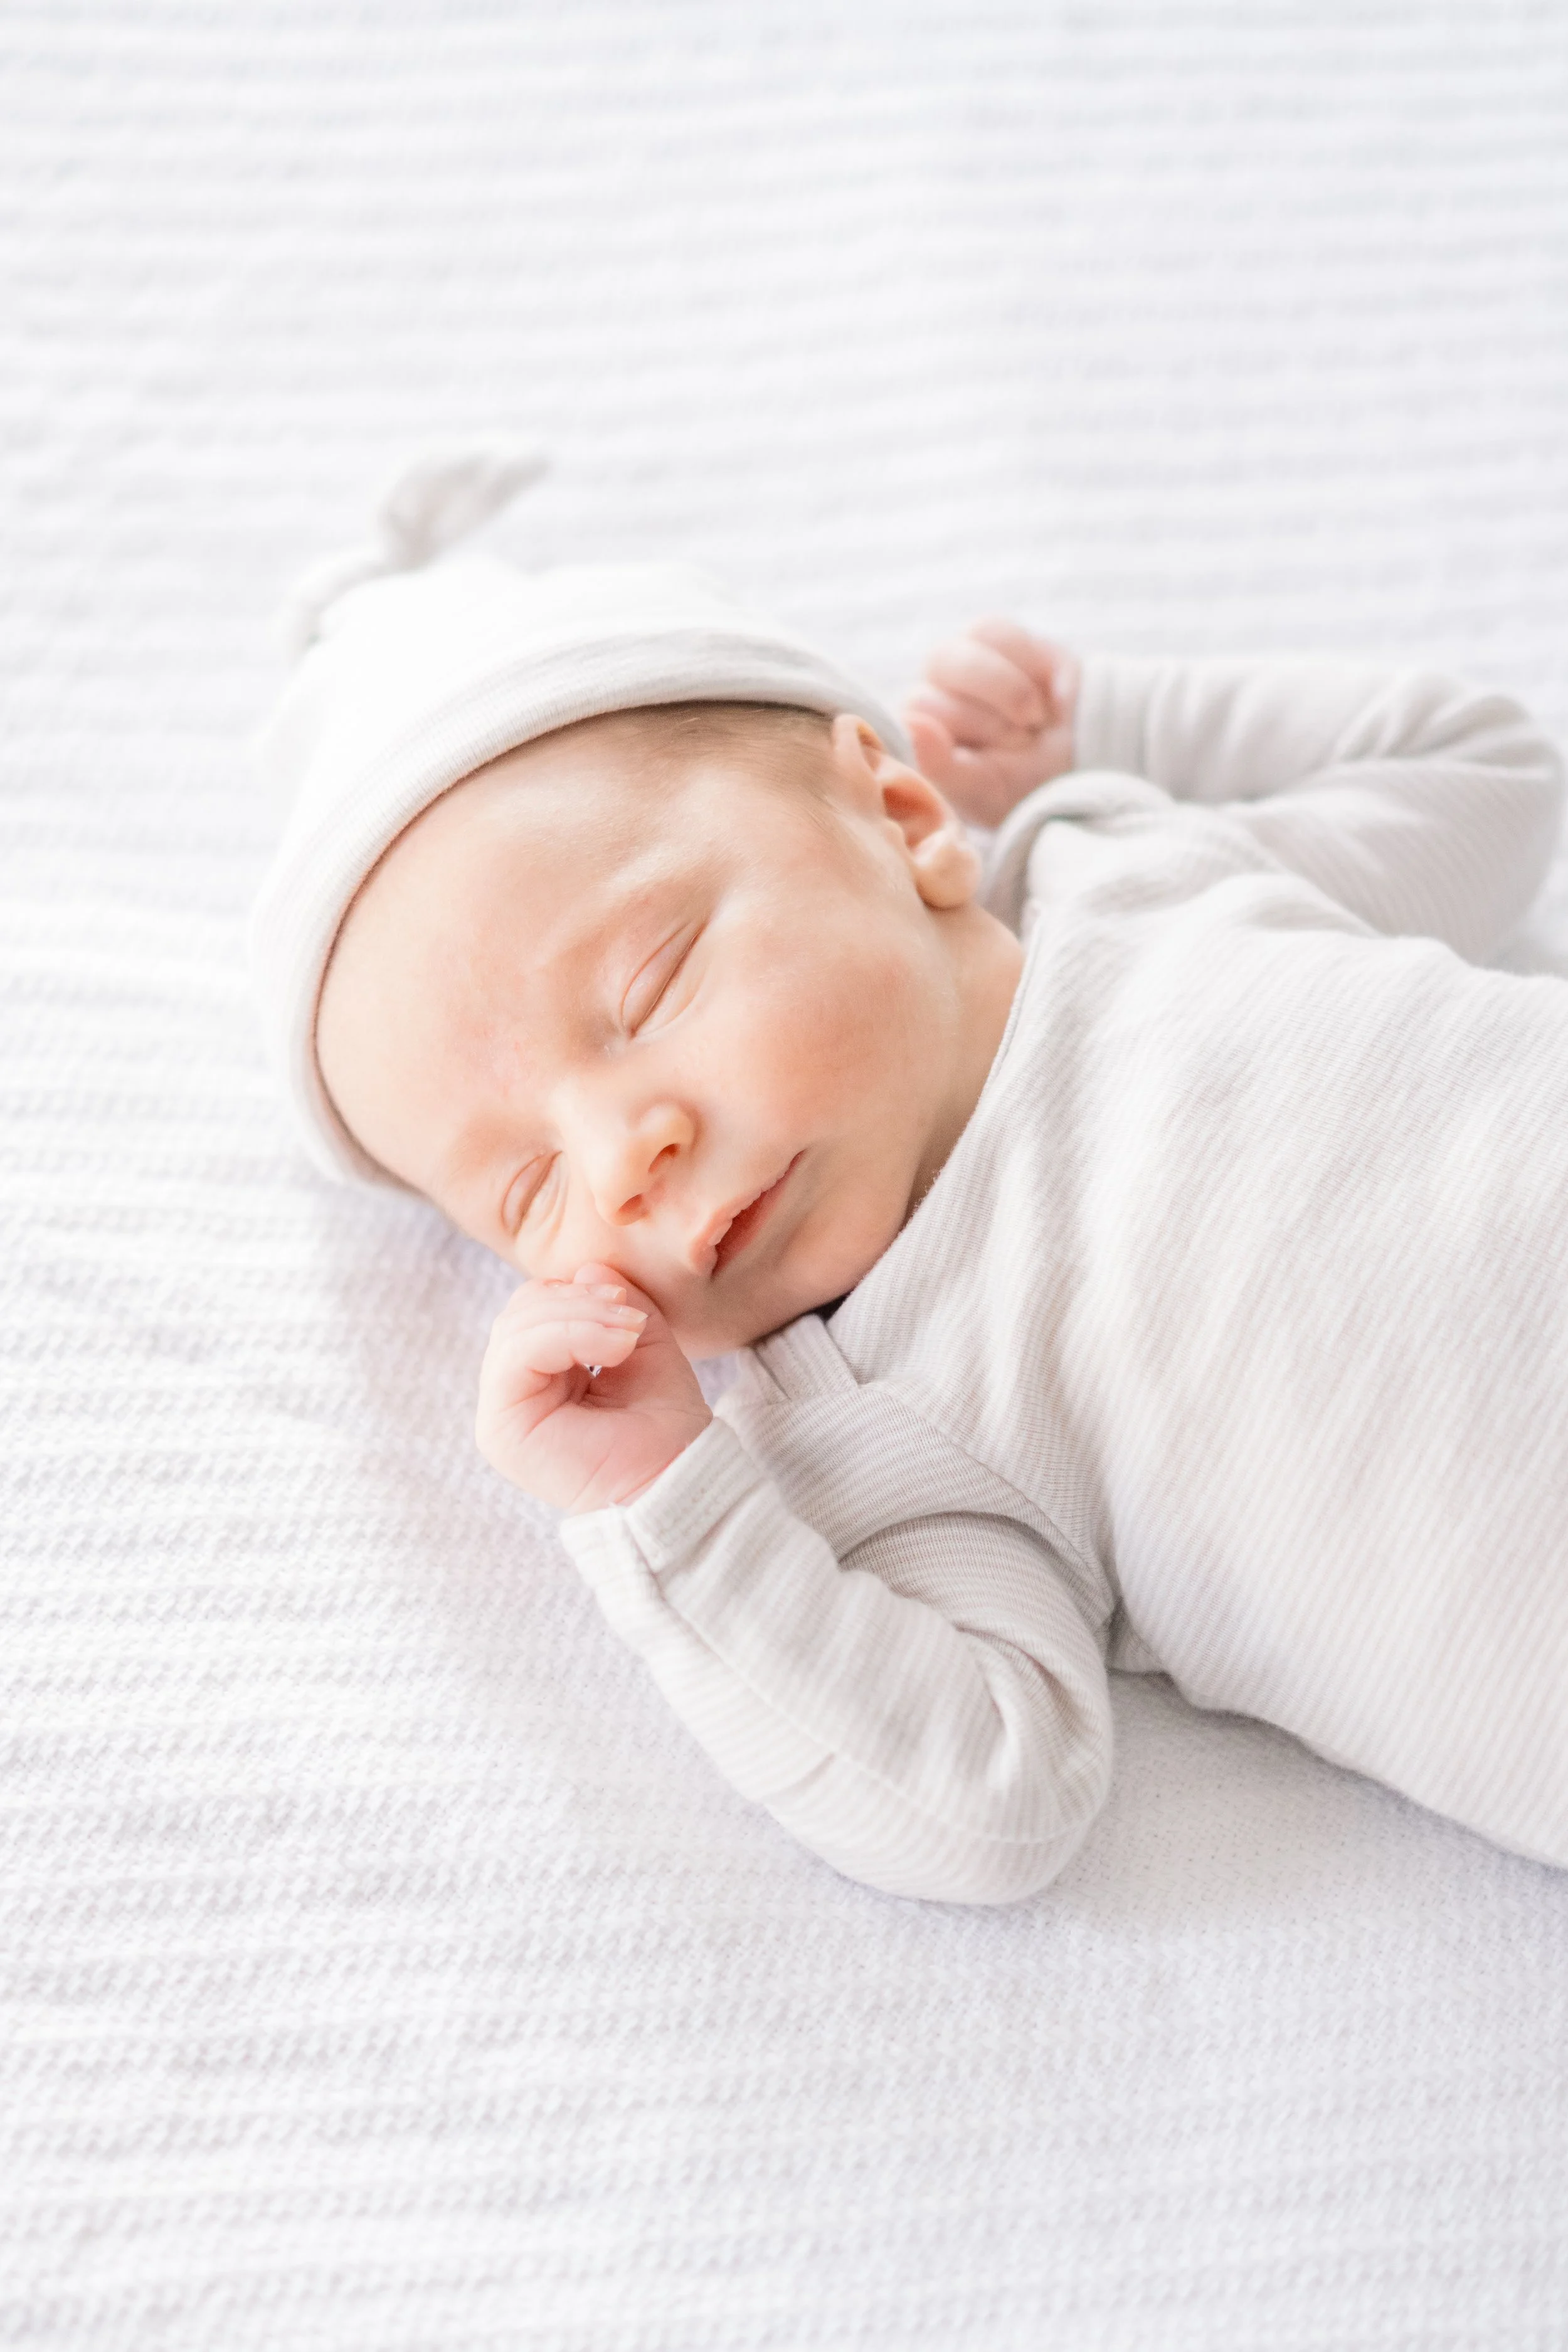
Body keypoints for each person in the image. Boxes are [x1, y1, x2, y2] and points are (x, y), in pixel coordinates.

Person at [253, 442, 1568, 1904]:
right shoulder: (885, 1416)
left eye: (648, 985)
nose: (622, 1160)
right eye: (526, 1192)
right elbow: (990, 1799)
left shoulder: (1133, 878)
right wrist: (664, 1504)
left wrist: (1112, 721)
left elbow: (1489, 776)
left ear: (898, 816)